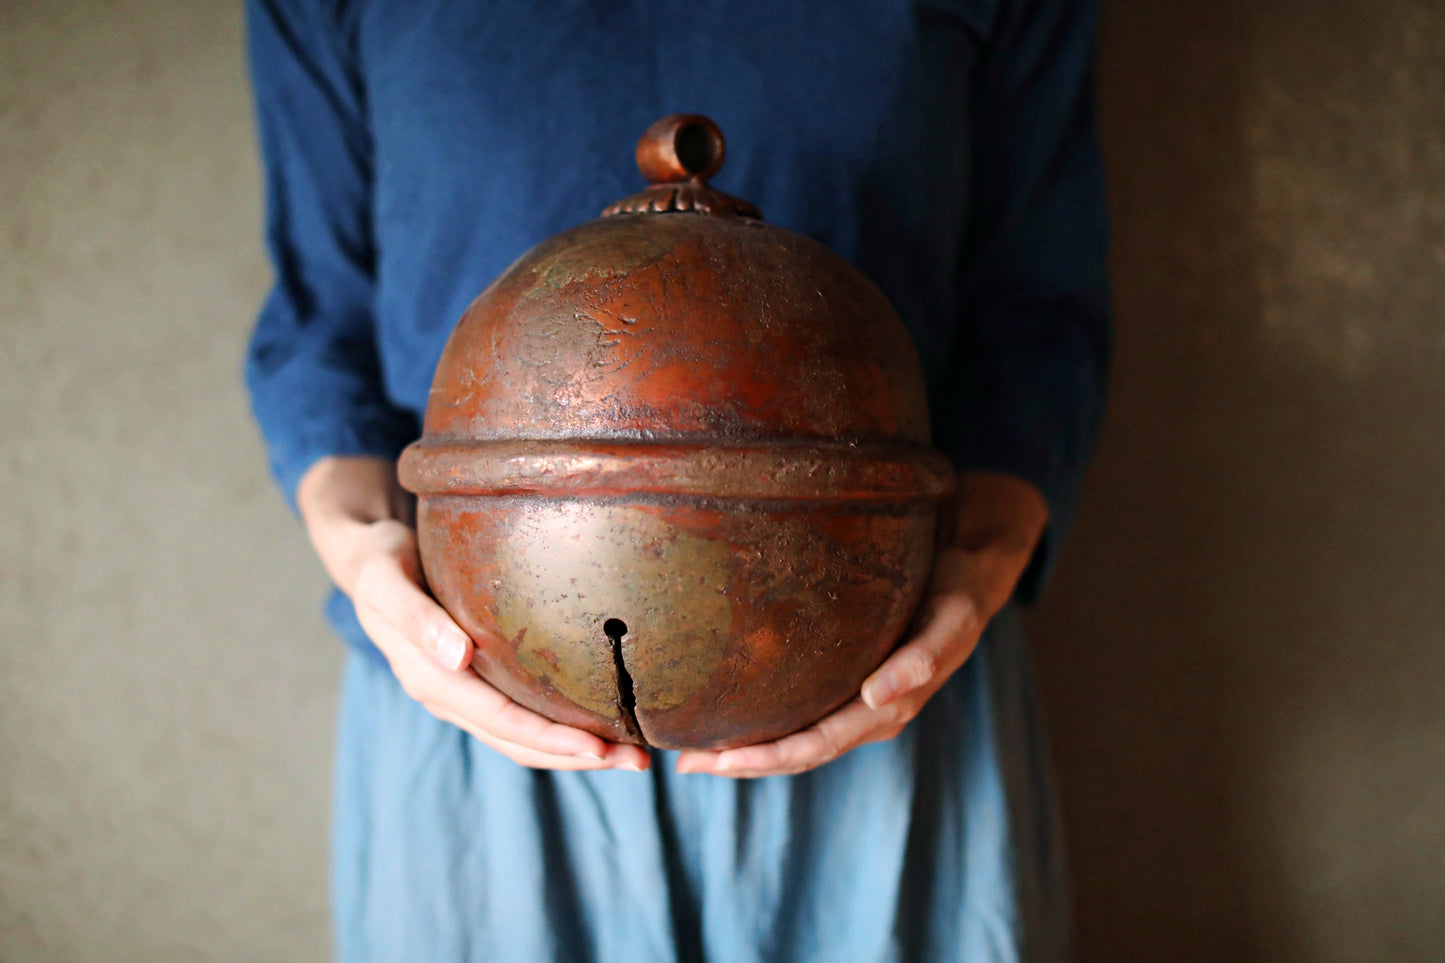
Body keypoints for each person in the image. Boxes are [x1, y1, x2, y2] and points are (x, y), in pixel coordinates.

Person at [244, 1, 1109, 959]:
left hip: (884, 686)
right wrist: (368, 561)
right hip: (473, 697)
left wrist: (978, 572)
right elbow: (320, 322)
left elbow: (1039, 320)